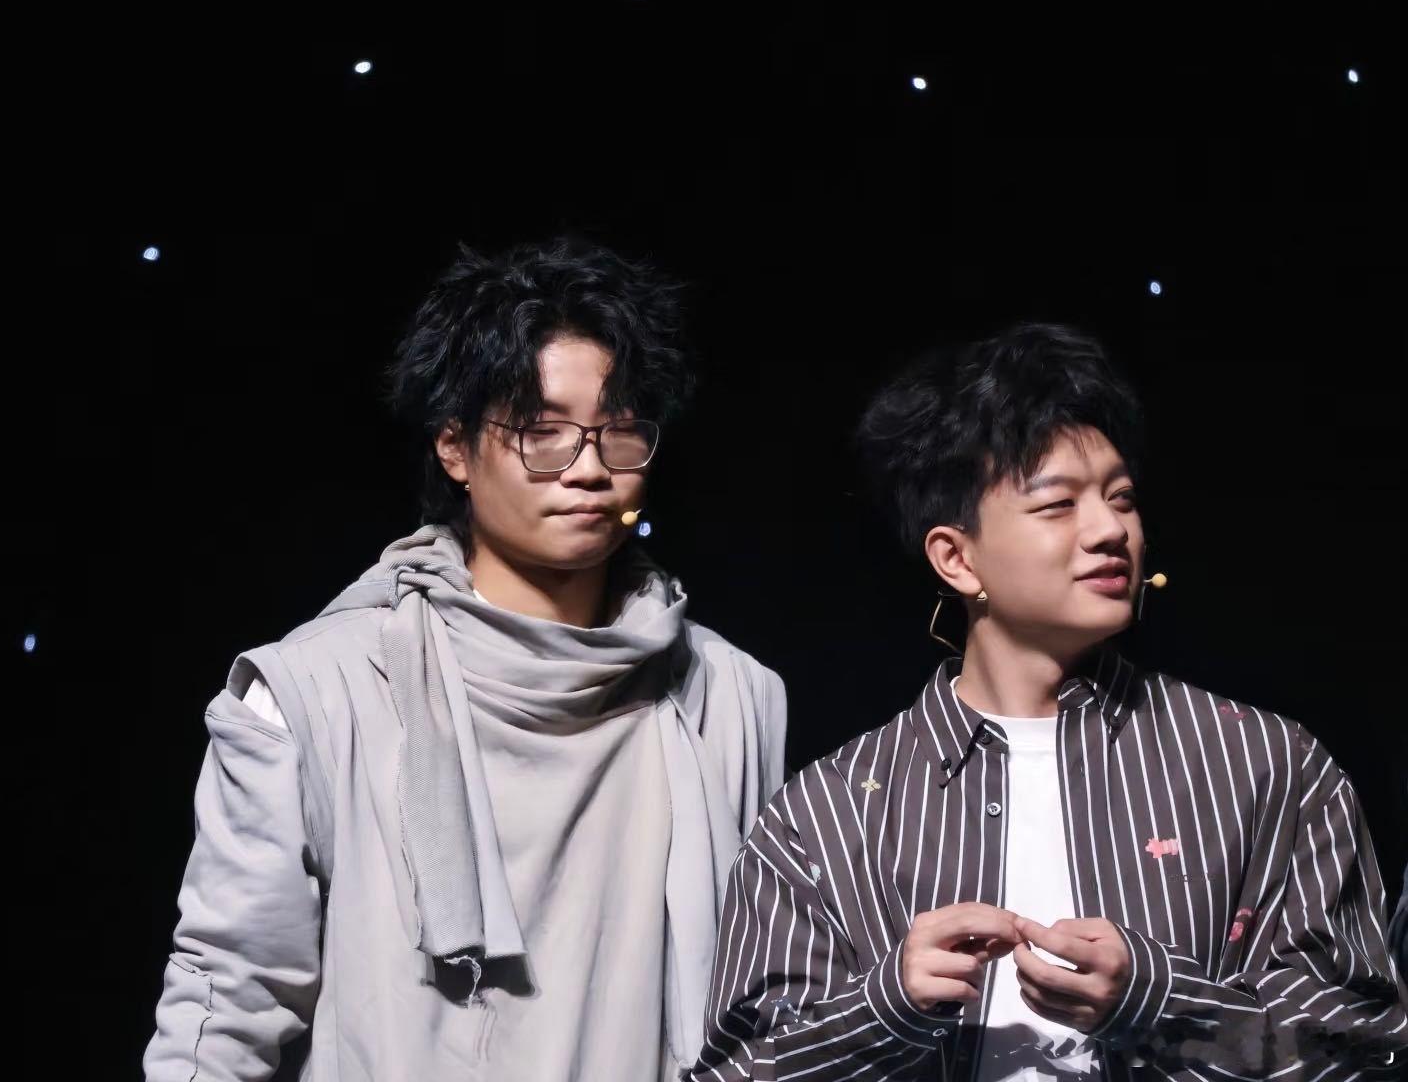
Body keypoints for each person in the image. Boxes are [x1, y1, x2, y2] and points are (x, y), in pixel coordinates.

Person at [145, 238, 788, 1082]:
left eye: (621, 433)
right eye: (542, 433)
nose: (589, 469)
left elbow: (766, 1003)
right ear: (455, 448)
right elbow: (226, 1001)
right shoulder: (315, 693)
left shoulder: (729, 696)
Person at [691, 322, 1406, 1080]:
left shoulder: (1266, 766)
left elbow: (1366, 1050)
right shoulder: (826, 816)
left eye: (1122, 498)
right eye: (1058, 505)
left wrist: (1156, 1000)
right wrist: (886, 1007)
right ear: (956, 559)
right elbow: (736, 1070)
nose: (1110, 530)